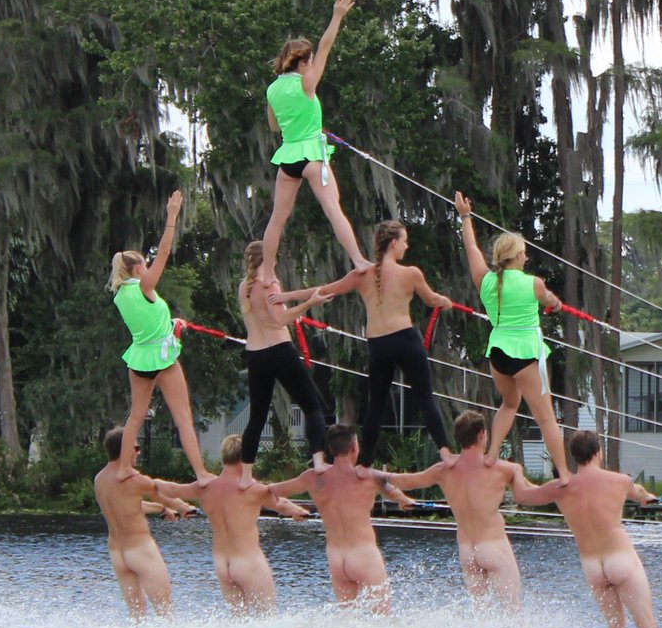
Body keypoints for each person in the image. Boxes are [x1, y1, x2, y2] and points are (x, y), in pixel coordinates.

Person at [512, 429, 662, 628]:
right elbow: (640, 494)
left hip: (593, 568)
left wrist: (515, 472)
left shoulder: (559, 487)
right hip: (621, 561)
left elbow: (523, 495)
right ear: (597, 452)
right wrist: (648, 497)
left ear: (575, 457)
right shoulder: (620, 481)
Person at [317, 219, 456, 466]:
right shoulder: (411, 273)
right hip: (405, 339)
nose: (407, 245)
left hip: (378, 344)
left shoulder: (361, 275)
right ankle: (445, 453)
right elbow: (431, 299)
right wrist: (445, 301)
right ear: (393, 243)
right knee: (425, 398)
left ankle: (365, 463)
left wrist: (287, 297)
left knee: (376, 406)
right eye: (404, 240)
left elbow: (326, 290)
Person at [453, 191, 570, 481]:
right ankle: (566, 474)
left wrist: (465, 217)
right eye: (525, 252)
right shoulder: (533, 283)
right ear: (518, 256)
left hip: (499, 354)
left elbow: (471, 247)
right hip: (526, 353)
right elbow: (551, 301)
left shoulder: (486, 280)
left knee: (508, 404)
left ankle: (491, 456)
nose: (526, 255)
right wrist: (555, 304)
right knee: (546, 418)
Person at [261, 0, 372, 283]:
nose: (313, 65)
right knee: (333, 207)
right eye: (309, 62)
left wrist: (303, 121)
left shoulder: (273, 89)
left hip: (289, 159)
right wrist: (336, 17)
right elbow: (325, 47)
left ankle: (266, 271)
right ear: (302, 63)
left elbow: (275, 126)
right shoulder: (306, 82)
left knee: (277, 218)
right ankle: (359, 260)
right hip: (311, 155)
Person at [375, 410, 523, 614]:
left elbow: (407, 481)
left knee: (482, 615)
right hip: (493, 546)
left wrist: (374, 474)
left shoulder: (443, 470)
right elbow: (528, 495)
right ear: (482, 435)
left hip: (467, 551)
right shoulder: (503, 469)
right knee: (513, 612)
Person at [108, 189, 208, 483]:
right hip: (162, 358)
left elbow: (147, 321)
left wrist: (171, 323)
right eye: (145, 266)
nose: (149, 269)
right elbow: (164, 252)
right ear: (138, 268)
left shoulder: (120, 294)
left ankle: (125, 468)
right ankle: (201, 473)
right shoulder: (143, 286)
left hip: (140, 357)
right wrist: (172, 217)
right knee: (183, 418)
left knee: (135, 416)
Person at [156, 435, 309, 616]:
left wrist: (179, 506)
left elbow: (168, 489)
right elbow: (281, 505)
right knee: (268, 616)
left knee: (238, 620)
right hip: (248, 562)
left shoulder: (203, 487)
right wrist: (300, 511)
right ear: (245, 458)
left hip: (222, 565)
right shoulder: (253, 489)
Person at [269, 424, 411, 613]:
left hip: (337, 560)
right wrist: (405, 501)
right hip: (364, 556)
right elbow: (394, 492)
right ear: (354, 447)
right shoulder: (367, 476)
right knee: (382, 618)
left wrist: (291, 509)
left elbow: (269, 492)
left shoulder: (313, 477)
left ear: (330, 449)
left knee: (348, 622)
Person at [239, 241, 332, 489]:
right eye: (274, 257)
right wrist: (310, 304)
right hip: (279, 351)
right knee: (312, 406)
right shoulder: (270, 283)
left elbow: (273, 303)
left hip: (255, 355)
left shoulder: (244, 288)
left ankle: (245, 476)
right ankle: (319, 462)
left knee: (257, 417)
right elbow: (281, 318)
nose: (277, 261)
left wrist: (312, 293)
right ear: (267, 258)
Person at [94, 426, 190, 621]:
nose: (139, 452)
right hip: (140, 550)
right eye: (136, 448)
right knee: (166, 611)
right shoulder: (136, 480)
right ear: (126, 449)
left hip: (117, 553)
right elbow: (167, 497)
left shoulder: (100, 479)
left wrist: (162, 510)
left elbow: (129, 505)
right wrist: (184, 508)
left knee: (137, 617)